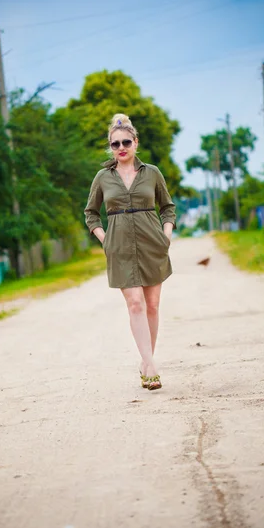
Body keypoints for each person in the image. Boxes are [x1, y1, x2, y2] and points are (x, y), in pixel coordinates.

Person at [84, 113, 176, 391]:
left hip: (152, 242)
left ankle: (145, 361)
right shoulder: (102, 177)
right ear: (110, 147)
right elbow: (90, 214)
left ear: (136, 142)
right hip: (120, 245)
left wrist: (166, 236)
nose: (121, 147)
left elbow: (167, 207)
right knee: (134, 303)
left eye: (126, 142)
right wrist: (105, 239)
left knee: (152, 305)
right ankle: (151, 366)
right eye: (115, 144)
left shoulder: (152, 173)